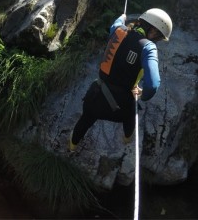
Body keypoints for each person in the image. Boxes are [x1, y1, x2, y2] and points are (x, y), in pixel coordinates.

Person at [69, 8, 173, 151]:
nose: (157, 41)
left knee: (85, 120)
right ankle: (127, 138)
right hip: (120, 106)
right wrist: (143, 95)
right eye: (159, 37)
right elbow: (153, 84)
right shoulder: (148, 48)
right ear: (153, 31)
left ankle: (72, 146)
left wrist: (122, 17)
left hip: (95, 95)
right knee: (131, 116)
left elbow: (116, 23)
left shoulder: (118, 30)